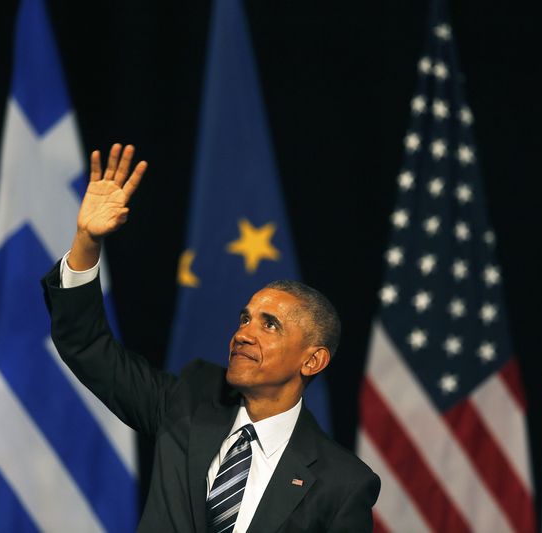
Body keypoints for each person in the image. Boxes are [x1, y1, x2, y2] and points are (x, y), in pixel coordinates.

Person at [42, 144, 380, 532]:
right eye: (245, 319)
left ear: (312, 360)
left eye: (269, 325)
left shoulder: (343, 483)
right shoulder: (187, 402)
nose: (243, 334)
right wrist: (87, 241)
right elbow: (86, 346)